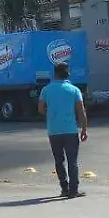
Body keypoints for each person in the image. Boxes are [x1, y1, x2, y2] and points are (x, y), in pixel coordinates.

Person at [38, 62, 88, 199]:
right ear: (68, 74)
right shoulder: (74, 90)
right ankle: (73, 191)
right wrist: (84, 129)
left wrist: (51, 114)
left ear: (55, 73)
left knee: (59, 161)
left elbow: (41, 109)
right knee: (72, 161)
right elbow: (81, 111)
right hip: (71, 130)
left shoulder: (46, 90)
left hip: (54, 131)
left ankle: (64, 188)